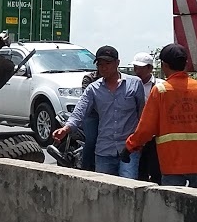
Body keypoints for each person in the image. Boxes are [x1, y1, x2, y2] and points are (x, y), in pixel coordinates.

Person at [125, 42, 197, 189]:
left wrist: (130, 146)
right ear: (186, 64)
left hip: (172, 161)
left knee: (172, 207)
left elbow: (146, 128)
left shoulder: (161, 90)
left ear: (164, 65)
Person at [52, 45, 145, 179]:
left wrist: (140, 140)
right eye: (100, 64)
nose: (103, 67)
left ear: (117, 63)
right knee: (104, 191)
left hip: (129, 148)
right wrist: (65, 129)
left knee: (128, 190)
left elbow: (142, 113)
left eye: (107, 63)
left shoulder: (135, 84)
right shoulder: (93, 89)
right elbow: (79, 111)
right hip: (104, 150)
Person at [129, 51, 162, 185]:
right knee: (139, 169)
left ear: (150, 68)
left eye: (141, 68)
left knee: (155, 168)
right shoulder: (129, 85)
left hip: (155, 134)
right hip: (137, 132)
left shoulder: (160, 86)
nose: (137, 71)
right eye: (135, 68)